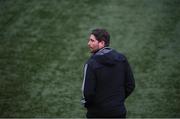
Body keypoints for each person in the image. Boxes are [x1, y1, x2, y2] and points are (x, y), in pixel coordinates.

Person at [81, 28, 135, 118]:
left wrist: (90, 106)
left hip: (97, 114)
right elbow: (130, 85)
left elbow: (87, 92)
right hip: (118, 112)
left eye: (92, 41)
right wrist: (117, 100)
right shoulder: (122, 59)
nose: (88, 43)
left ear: (101, 43)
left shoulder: (91, 64)